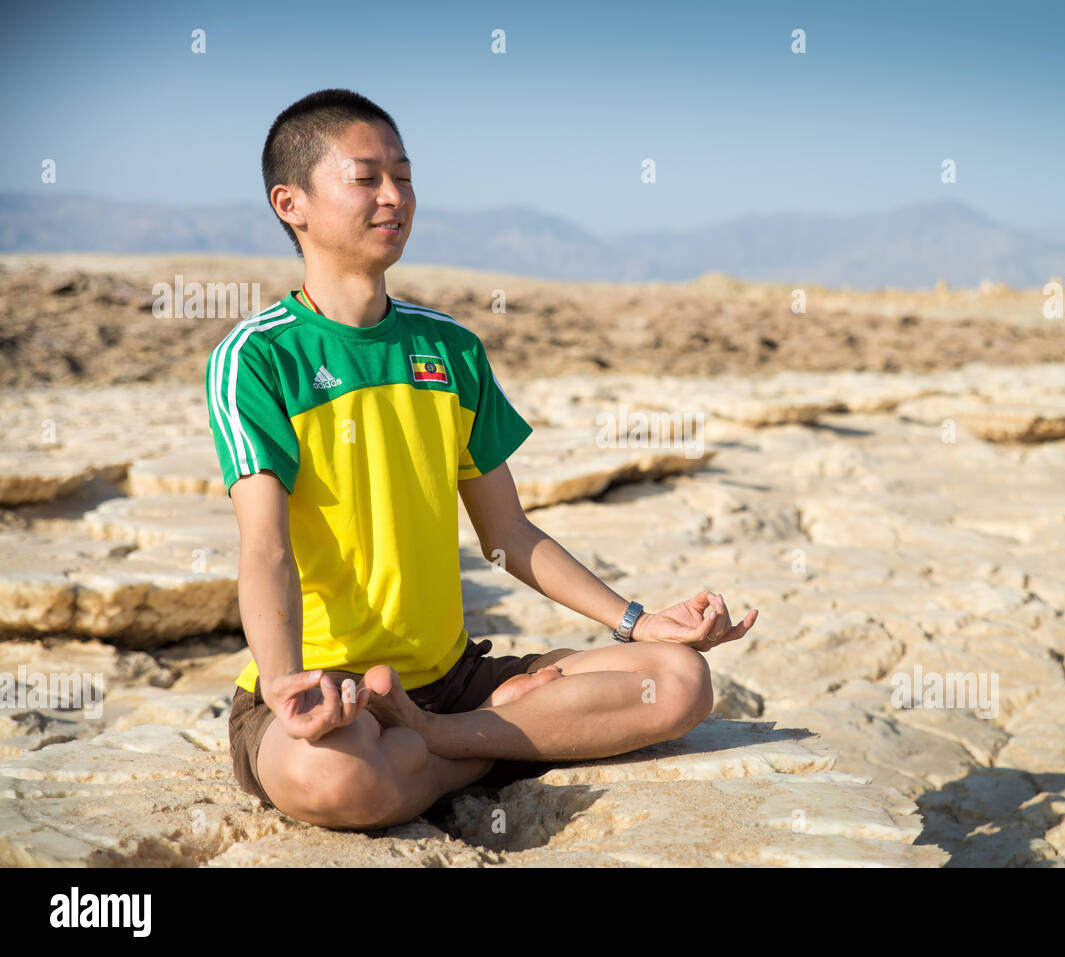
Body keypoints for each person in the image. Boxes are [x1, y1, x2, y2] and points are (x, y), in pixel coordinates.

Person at [205, 88, 758, 830]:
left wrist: (636, 620)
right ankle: (496, 742)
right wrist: (284, 683)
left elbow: (509, 535)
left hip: (454, 678)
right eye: (365, 177)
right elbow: (266, 549)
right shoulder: (257, 356)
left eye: (403, 175)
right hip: (328, 686)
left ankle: (438, 741)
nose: (394, 196)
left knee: (680, 679)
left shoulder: (451, 348)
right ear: (291, 202)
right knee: (331, 776)